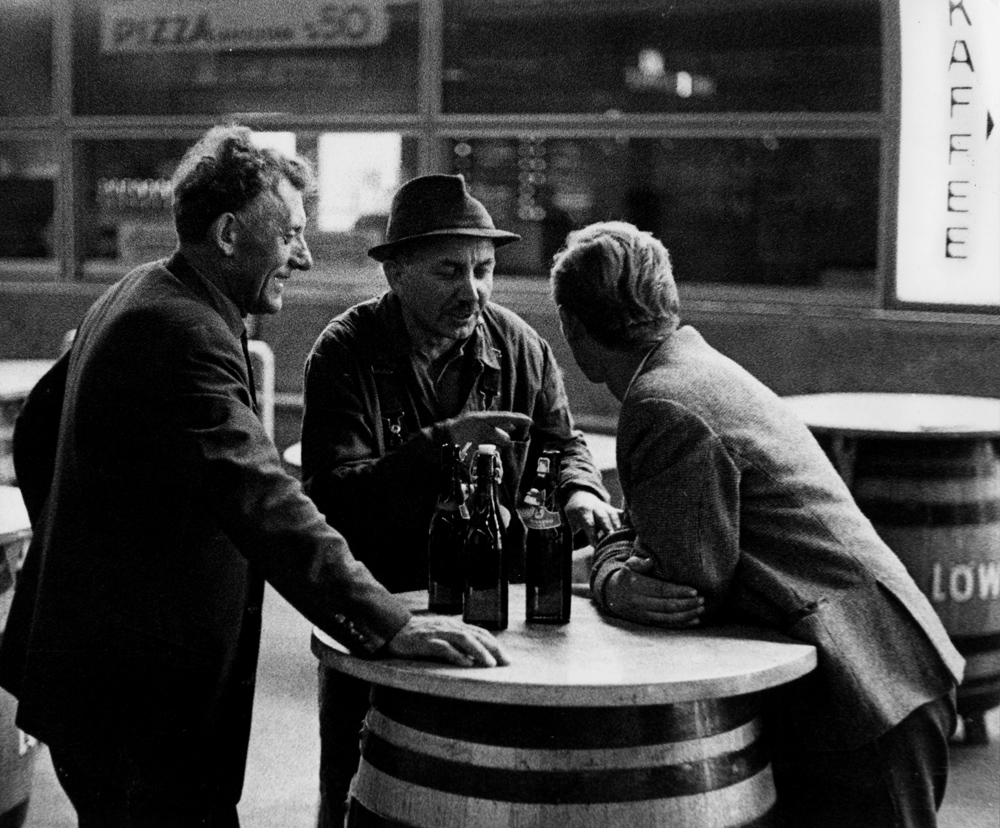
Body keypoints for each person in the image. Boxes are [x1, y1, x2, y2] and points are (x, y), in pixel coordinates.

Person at [0, 126, 506, 828]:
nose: (301, 255)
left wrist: (82, 539)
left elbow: (37, 429)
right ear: (231, 232)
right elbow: (266, 502)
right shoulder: (185, 331)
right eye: (291, 233)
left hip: (99, 681)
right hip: (142, 705)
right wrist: (386, 622)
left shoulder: (144, 291)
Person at [548, 221, 965, 828]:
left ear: (574, 330)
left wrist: (609, 568)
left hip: (864, 693)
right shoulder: (696, 365)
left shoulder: (662, 402)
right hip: (885, 665)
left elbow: (683, 589)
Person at [301, 173, 620, 825]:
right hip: (385, 619)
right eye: (449, 271)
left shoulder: (519, 347)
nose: (472, 290)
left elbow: (562, 442)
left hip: (495, 617)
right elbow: (333, 498)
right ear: (395, 273)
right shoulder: (345, 352)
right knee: (360, 786)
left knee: (491, 786)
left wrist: (580, 488)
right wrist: (441, 446)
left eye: (483, 270)